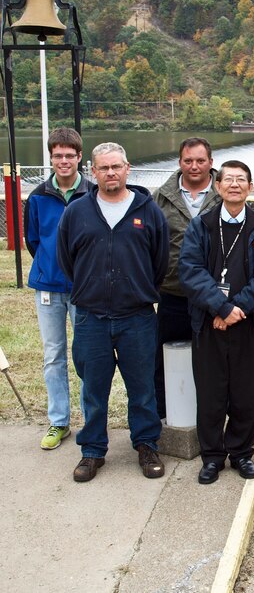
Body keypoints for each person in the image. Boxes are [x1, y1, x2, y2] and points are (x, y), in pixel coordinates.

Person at [57, 142, 168, 482]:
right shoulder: (77, 212)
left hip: (137, 317)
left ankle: (146, 444)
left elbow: (159, 262)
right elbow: (67, 260)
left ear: (127, 168)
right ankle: (92, 450)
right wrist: (91, 289)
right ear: (92, 171)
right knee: (93, 387)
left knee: (142, 387)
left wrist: (135, 289)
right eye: (103, 168)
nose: (110, 173)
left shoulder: (148, 211)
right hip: (92, 317)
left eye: (116, 167)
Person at [178, 160, 254, 484]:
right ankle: (212, 456)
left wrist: (237, 309)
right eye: (229, 180)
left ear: (250, 188)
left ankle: (240, 452)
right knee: (210, 392)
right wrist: (220, 308)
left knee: (244, 392)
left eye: (241, 180)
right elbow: (190, 271)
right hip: (209, 324)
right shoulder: (201, 225)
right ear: (218, 186)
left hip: (248, 325)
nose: (234, 185)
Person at [24, 128, 94, 450]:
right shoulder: (37, 197)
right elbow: (33, 241)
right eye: (58, 155)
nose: (64, 161)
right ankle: (59, 422)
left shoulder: (92, 194)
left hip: (84, 289)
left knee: (85, 356)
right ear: (51, 158)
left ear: (79, 157)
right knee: (53, 356)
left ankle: (90, 421)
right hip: (49, 289)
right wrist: (51, 267)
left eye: (70, 155)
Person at [152, 137, 220, 419]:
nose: (194, 166)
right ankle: (163, 416)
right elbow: (151, 243)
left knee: (211, 362)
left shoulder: (224, 192)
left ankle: (210, 418)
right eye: (188, 161)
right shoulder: (161, 197)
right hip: (172, 294)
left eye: (200, 161)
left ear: (211, 163)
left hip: (213, 297)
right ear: (180, 162)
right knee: (163, 360)